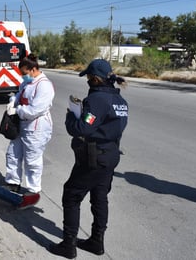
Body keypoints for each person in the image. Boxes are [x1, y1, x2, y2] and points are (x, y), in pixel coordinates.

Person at [49, 59, 128, 259]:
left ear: (95, 78)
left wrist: (70, 116)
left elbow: (82, 128)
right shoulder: (120, 101)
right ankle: (96, 241)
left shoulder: (97, 100)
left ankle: (68, 244)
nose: (87, 82)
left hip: (94, 156)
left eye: (88, 78)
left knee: (72, 194)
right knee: (100, 197)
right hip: (110, 156)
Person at [4, 54, 55, 200]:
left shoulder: (44, 85)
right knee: (13, 154)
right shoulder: (27, 82)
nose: (23, 77)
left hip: (36, 128)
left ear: (33, 69)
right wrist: (13, 101)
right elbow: (20, 94)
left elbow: (35, 110)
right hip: (22, 124)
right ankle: (13, 182)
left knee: (32, 159)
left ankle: (33, 189)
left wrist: (17, 110)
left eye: (25, 73)